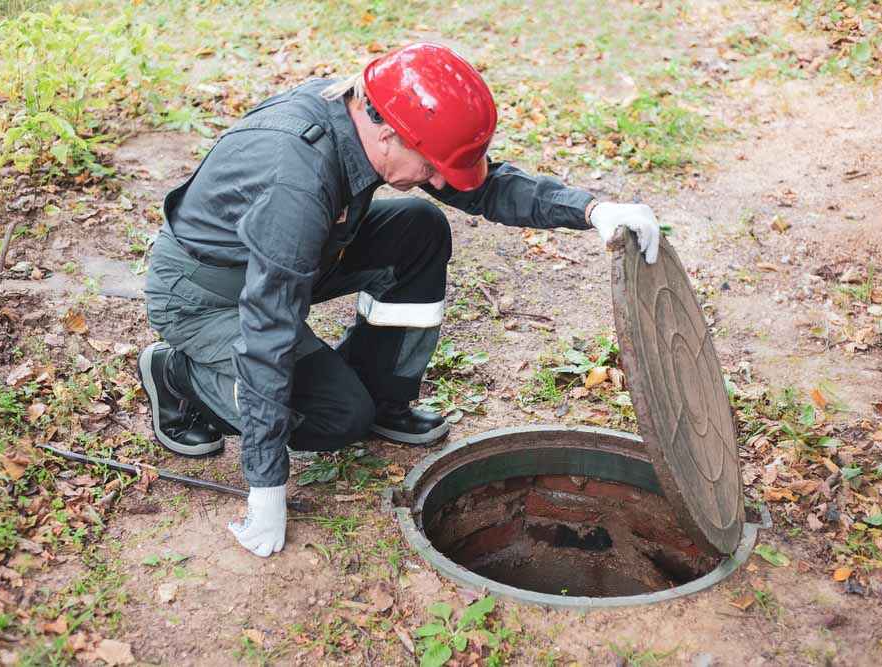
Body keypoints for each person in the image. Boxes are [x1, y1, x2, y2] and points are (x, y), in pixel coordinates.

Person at [138, 42, 661, 558]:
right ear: (387, 131)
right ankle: (177, 376)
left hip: (298, 255)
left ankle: (382, 396)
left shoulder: (371, 123)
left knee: (420, 228)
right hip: (208, 293)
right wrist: (266, 484)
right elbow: (269, 327)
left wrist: (592, 211)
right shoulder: (296, 178)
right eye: (432, 166)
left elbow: (483, 188)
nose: (436, 180)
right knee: (336, 417)